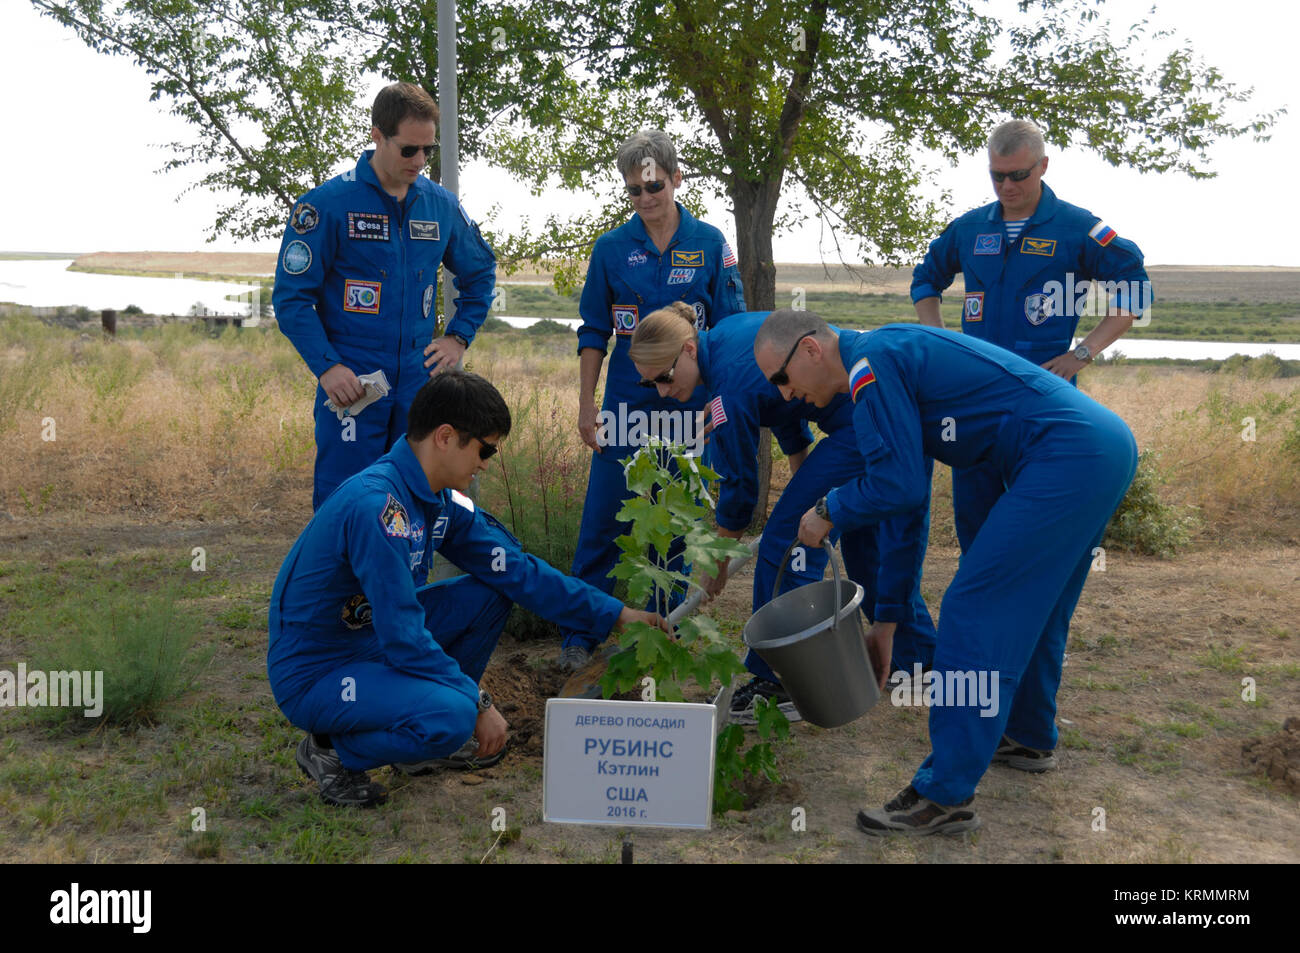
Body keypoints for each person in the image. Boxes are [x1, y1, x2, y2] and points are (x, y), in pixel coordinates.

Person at [754, 312, 1137, 835]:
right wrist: (888, 619)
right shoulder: (883, 360)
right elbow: (906, 505)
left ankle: (944, 795)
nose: (786, 396)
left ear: (811, 351)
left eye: (782, 378)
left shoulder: (872, 366)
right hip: (1094, 448)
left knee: (974, 609)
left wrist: (828, 510)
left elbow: (897, 488)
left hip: (1066, 455)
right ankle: (1025, 734)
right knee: (1034, 608)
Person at [268, 370, 668, 807]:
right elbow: (402, 635)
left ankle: (419, 727)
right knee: (453, 716)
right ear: (445, 436)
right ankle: (332, 750)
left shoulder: (436, 498)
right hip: (319, 672)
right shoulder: (379, 507)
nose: (486, 463)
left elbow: (517, 571)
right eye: (485, 449)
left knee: (492, 591)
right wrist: (477, 702)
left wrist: (616, 614)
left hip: (370, 642)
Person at [628, 304, 936, 724]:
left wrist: (718, 558)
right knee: (867, 555)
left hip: (864, 423)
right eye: (651, 384)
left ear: (687, 349)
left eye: (664, 377)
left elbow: (739, 487)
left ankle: (774, 681)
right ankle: (918, 663)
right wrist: (803, 474)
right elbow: (786, 402)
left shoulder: (726, 390)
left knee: (785, 542)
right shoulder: (725, 338)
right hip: (876, 416)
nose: (663, 392)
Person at [911, 118, 1149, 554]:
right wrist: (943, 343)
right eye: (997, 175)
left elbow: (1135, 292)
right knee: (975, 520)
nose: (1007, 185)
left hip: (1043, 393)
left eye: (1018, 175)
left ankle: (1029, 602)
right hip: (975, 394)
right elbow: (925, 281)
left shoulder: (1079, 228)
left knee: (1036, 516)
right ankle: (978, 603)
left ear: (1042, 166)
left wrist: (1082, 353)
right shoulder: (968, 229)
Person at [557, 130, 747, 671]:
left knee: (678, 521)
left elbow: (732, 335)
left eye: (654, 186)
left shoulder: (710, 243)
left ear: (675, 178)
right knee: (604, 519)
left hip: (692, 410)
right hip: (626, 406)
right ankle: (581, 631)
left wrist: (721, 413)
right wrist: (585, 404)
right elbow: (593, 331)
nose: (646, 199)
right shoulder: (611, 249)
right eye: (634, 191)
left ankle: (664, 631)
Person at [273, 82, 497, 510]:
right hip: (352, 379)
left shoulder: (440, 205)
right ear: (377, 135)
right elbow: (291, 298)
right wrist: (327, 367)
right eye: (409, 150)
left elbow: (481, 271)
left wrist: (458, 336)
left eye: (428, 150)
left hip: (420, 378)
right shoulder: (326, 205)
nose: (420, 161)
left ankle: (406, 578)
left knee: (419, 497)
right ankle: (338, 579)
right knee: (348, 500)